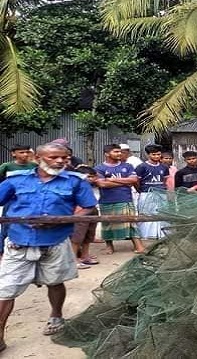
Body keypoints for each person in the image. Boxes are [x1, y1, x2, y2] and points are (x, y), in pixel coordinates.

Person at [0, 142, 97, 350]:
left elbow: (88, 206)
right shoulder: (16, 180)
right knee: (6, 289)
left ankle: (56, 316)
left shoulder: (75, 181)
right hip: (19, 241)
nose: (60, 161)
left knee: (55, 282)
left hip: (56, 241)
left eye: (64, 157)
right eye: (54, 157)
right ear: (38, 158)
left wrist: (63, 220)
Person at [94, 144, 145, 255]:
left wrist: (111, 180)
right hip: (107, 200)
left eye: (120, 152)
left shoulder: (127, 166)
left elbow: (133, 180)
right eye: (116, 152)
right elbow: (102, 184)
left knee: (131, 222)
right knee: (107, 224)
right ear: (107, 154)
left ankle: (139, 245)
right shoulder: (99, 168)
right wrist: (124, 181)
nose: (119, 154)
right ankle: (109, 246)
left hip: (125, 199)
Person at [134, 144, 171, 240]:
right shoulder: (141, 167)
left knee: (162, 212)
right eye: (154, 154)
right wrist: (141, 190)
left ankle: (162, 234)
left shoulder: (164, 167)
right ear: (148, 155)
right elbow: (136, 182)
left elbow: (164, 181)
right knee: (147, 213)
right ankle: (147, 235)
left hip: (161, 193)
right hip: (146, 193)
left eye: (158, 154)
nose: (156, 156)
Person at [71, 166, 101, 269]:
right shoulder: (75, 184)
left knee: (89, 235)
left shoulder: (89, 185)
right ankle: (73, 260)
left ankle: (85, 256)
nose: (91, 179)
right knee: (77, 237)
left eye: (93, 177)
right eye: (89, 176)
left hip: (92, 209)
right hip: (81, 210)